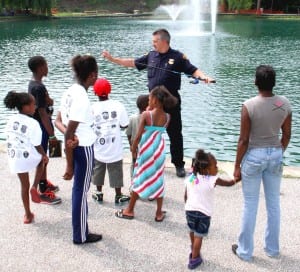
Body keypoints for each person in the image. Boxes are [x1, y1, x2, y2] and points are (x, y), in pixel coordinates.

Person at [102, 28, 215, 178]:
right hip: (153, 104)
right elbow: (133, 63)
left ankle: (178, 165)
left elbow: (193, 70)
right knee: (150, 134)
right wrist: (113, 59)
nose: (153, 44)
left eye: (155, 41)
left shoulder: (178, 57)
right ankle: (150, 161)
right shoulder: (151, 55)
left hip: (171, 102)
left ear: (164, 41)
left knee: (175, 134)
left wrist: (205, 77)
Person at [232, 65, 292, 261]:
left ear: (255, 82)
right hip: (275, 153)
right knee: (273, 204)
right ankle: (272, 249)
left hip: (254, 156)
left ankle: (245, 252)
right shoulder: (284, 104)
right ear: (273, 83)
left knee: (250, 204)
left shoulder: (249, 105)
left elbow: (244, 140)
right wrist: (277, 152)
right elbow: (287, 135)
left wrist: (237, 166)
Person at [115, 85, 177, 222]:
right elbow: (158, 130)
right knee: (158, 178)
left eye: (150, 98)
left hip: (147, 149)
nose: (148, 100)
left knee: (139, 177)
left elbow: (137, 136)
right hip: (159, 149)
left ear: (155, 100)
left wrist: (133, 149)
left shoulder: (146, 115)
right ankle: (159, 213)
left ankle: (129, 210)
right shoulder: (168, 116)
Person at [57, 54, 102, 244]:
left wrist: (69, 134)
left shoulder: (69, 91)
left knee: (78, 191)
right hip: (83, 149)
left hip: (77, 146)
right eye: (97, 74)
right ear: (92, 75)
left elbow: (57, 121)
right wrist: (69, 166)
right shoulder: (82, 98)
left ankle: (80, 232)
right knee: (81, 192)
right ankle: (81, 235)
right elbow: (68, 136)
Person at [184, 149, 237, 269]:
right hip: (204, 214)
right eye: (215, 166)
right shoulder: (212, 179)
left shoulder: (192, 177)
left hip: (189, 210)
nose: (217, 168)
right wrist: (236, 179)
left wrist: (186, 205)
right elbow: (229, 184)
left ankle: (193, 248)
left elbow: (186, 194)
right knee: (199, 236)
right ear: (207, 170)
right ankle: (194, 259)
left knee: (192, 231)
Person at [4, 91, 52, 223]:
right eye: (33, 105)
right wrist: (44, 155)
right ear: (25, 107)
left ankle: (27, 215)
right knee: (42, 161)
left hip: (15, 158)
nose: (35, 107)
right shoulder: (33, 123)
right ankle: (35, 186)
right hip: (27, 156)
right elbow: (37, 145)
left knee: (23, 186)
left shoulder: (10, 120)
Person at [91, 78, 131, 204]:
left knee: (98, 169)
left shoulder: (92, 107)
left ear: (95, 93)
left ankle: (98, 193)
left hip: (98, 146)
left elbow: (88, 125)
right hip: (114, 147)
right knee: (116, 170)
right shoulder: (118, 105)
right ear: (110, 91)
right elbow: (125, 125)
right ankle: (118, 195)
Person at [28, 56, 60, 199]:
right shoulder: (39, 87)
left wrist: (49, 102)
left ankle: (43, 182)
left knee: (44, 156)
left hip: (38, 125)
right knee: (43, 157)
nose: (48, 68)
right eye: (46, 65)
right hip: (41, 126)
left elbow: (41, 105)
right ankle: (41, 190)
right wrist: (52, 134)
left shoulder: (33, 84)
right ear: (41, 68)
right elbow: (41, 112)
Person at [126, 94, 149, 177]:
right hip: (146, 147)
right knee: (146, 165)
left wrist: (131, 145)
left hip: (135, 147)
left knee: (134, 163)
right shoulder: (149, 118)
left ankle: (133, 184)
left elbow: (128, 134)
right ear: (147, 105)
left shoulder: (132, 118)